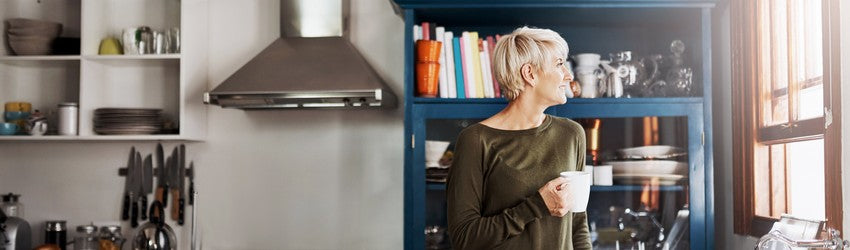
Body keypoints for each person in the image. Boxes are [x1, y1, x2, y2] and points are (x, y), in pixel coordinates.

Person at [446, 26, 591, 250]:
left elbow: (578, 223)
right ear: (530, 74)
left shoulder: (572, 134)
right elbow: (464, 238)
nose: (568, 76)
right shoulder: (476, 140)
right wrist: (536, 206)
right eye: (559, 63)